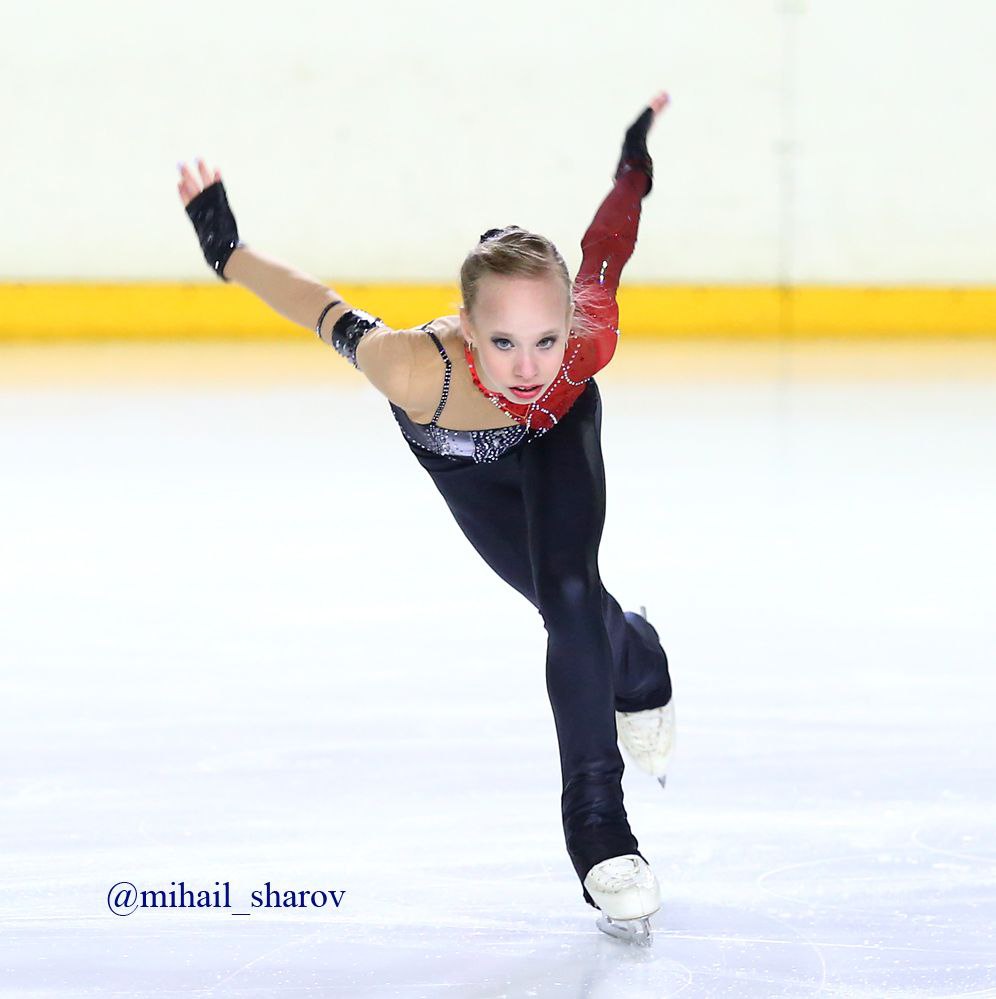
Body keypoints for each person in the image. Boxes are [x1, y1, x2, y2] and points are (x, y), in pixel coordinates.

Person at [177, 92, 676, 945]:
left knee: (566, 592)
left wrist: (636, 157)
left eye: (547, 339)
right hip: (463, 464)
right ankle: (640, 655)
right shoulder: (412, 367)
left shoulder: (582, 347)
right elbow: (318, 304)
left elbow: (610, 238)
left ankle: (599, 831)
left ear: (569, 324)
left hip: (560, 434)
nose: (528, 365)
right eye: (504, 341)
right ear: (467, 327)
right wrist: (229, 249)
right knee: (577, 613)